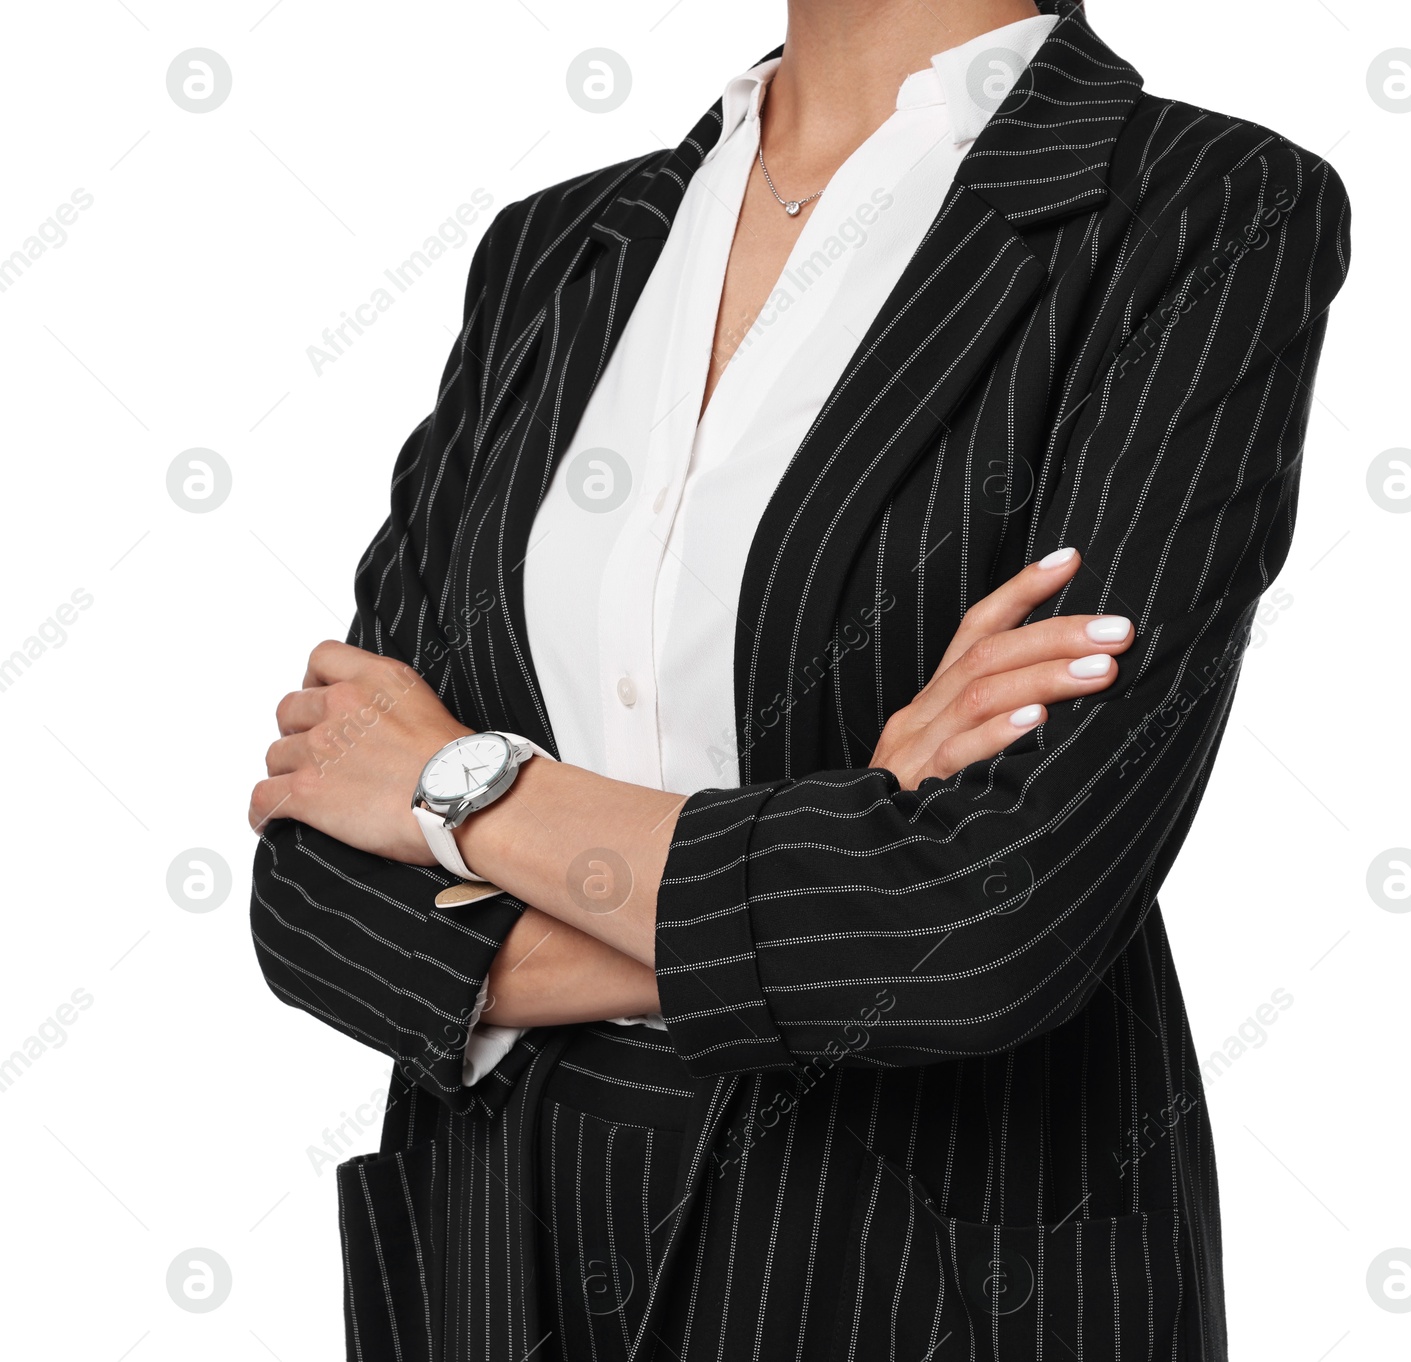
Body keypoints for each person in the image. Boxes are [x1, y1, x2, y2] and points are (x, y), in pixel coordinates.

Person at [249, 1, 1352, 1357]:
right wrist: (862, 824)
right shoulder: (554, 250)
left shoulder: (1201, 209)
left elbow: (995, 916)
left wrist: (457, 792)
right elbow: (316, 896)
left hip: (925, 1268)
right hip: (498, 1260)